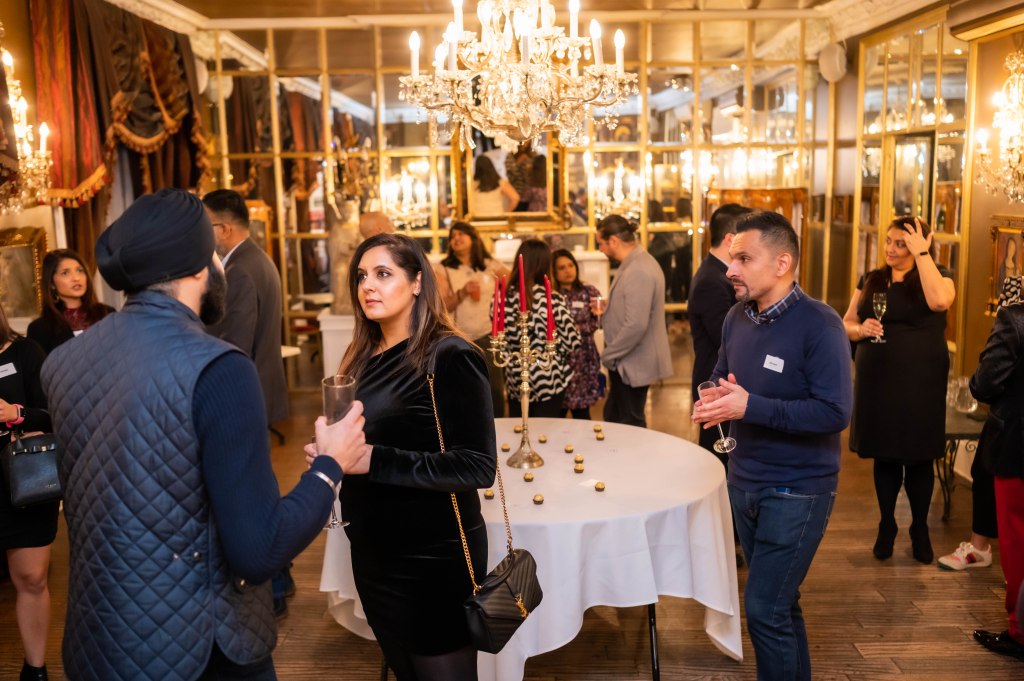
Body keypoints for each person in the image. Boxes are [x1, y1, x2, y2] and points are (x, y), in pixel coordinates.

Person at [40, 188, 370, 681]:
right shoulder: (219, 369)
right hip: (199, 648)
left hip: (99, 642)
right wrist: (330, 465)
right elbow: (259, 550)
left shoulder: (62, 362)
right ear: (201, 267)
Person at [692, 210, 852, 681]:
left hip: (797, 490)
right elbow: (720, 374)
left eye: (744, 258)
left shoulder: (820, 324)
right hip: (743, 481)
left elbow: (834, 413)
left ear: (782, 263)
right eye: (732, 257)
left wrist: (749, 406)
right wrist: (714, 396)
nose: (730, 269)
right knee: (781, 604)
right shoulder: (736, 317)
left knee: (763, 609)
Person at [333, 232, 497, 680]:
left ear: (418, 282)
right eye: (362, 276)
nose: (368, 285)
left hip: (431, 560)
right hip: (374, 554)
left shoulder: (450, 355)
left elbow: (478, 465)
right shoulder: (362, 356)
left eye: (383, 274)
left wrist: (373, 459)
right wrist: (332, 451)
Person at [842, 217, 955, 564]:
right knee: (885, 453)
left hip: (921, 381)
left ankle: (920, 528)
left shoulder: (939, 276)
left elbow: (940, 302)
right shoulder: (871, 280)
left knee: (920, 455)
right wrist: (860, 330)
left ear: (922, 244)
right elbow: (846, 323)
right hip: (878, 381)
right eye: (889, 241)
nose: (890, 249)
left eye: (900, 243)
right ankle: (887, 524)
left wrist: (922, 255)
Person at [969, 274, 1024, 661]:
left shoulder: (1015, 318)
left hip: (1018, 447)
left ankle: (1020, 632)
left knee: (1017, 542)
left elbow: (984, 384)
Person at [0, 303, 54, 681]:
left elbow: (54, 412)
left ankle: (35, 671)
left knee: (32, 578)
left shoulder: (26, 353)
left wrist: (15, 414)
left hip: (23, 478)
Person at [203, 189, 288, 426]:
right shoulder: (258, 258)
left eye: (205, 226)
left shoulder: (239, 270)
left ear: (224, 230)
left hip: (247, 392)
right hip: (261, 385)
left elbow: (237, 343)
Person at [595, 215, 672, 427]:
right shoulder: (634, 263)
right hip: (626, 361)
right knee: (614, 417)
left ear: (613, 241)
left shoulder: (639, 268)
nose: (601, 250)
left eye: (601, 243)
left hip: (631, 362)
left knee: (630, 424)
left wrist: (608, 355)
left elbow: (636, 325)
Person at [688, 204, 752, 456]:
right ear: (729, 239)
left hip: (722, 382)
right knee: (718, 458)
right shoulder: (711, 280)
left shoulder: (716, 273)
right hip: (715, 382)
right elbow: (727, 339)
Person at [436, 222, 510, 416]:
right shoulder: (444, 269)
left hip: (489, 335)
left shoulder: (489, 264)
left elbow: (514, 282)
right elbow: (441, 306)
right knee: (464, 391)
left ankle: (497, 427)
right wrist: (462, 292)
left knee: (494, 391)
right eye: (453, 236)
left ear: (473, 238)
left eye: (461, 234)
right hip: (459, 338)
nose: (456, 239)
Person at [502, 240, 581, 417]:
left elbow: (501, 341)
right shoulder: (551, 298)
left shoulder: (501, 299)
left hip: (516, 377)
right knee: (546, 429)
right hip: (548, 378)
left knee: (519, 425)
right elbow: (572, 342)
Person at [27, 249, 114, 355]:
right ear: (51, 284)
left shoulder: (107, 314)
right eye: (65, 273)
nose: (76, 278)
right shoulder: (39, 328)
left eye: (80, 270)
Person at [552, 249, 602, 420]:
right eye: (561, 268)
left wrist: (577, 328)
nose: (568, 270)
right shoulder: (551, 295)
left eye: (570, 265)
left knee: (582, 412)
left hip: (584, 357)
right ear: (553, 272)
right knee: (557, 412)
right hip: (560, 359)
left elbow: (598, 321)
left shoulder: (590, 292)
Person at [504, 141, 533, 211]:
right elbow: (510, 175)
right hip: (514, 191)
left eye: (528, 141)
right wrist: (518, 162)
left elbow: (531, 178)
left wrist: (529, 170)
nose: (525, 143)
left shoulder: (531, 155)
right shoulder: (510, 155)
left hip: (528, 194)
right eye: (524, 141)